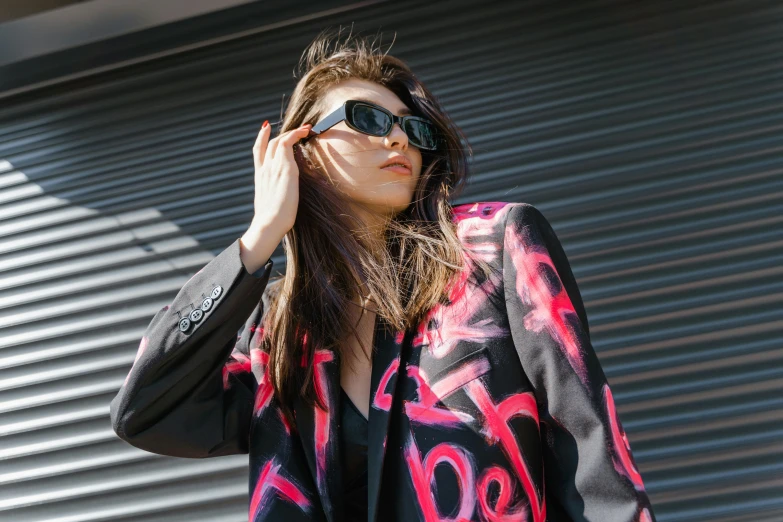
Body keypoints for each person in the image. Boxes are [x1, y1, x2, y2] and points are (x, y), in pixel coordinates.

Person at [110, 26, 656, 522]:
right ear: (303, 152)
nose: (397, 140)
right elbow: (146, 410)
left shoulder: (496, 245)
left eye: (411, 128)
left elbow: (590, 450)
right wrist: (256, 243)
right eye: (367, 120)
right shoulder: (277, 331)